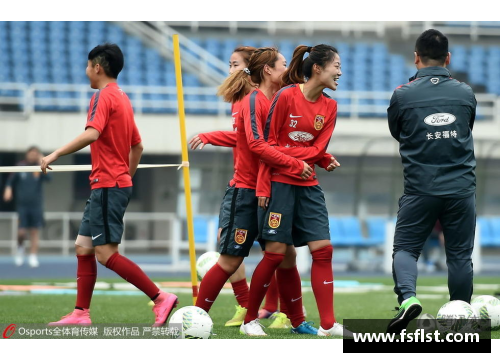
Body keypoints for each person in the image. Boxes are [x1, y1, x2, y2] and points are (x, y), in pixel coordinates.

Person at [41, 43, 178, 326]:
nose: (85, 71)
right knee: (83, 246)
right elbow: (137, 146)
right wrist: (125, 177)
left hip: (107, 185)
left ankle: (160, 297)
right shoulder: (123, 98)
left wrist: (55, 153)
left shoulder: (103, 97)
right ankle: (81, 313)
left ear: (97, 67)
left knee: (105, 254)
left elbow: (92, 133)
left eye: (87, 66)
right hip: (111, 183)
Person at [194, 47, 327, 335]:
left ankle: (296, 320)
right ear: (267, 70)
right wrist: (294, 164)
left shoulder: (279, 100)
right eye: (281, 65)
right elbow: (253, 143)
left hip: (273, 190)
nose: (287, 71)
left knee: (286, 255)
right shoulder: (253, 101)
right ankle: (196, 316)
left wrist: (322, 157)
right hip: (246, 191)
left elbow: (283, 142)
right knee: (230, 260)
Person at [241, 44, 347, 337]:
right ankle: (250, 320)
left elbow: (318, 149)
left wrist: (311, 157)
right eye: (336, 65)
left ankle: (328, 325)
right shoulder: (286, 96)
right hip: (280, 185)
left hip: (309, 185)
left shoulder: (331, 106)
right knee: (275, 254)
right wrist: (299, 159)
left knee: (323, 251)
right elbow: (268, 145)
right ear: (317, 68)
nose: (340, 71)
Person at [387, 29, 477, 334]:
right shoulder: (465, 92)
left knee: (406, 249)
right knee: (460, 256)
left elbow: (398, 132)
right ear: (448, 58)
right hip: (461, 188)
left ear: (416, 58)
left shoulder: (402, 94)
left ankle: (409, 298)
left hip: (420, 187)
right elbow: (467, 126)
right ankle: (461, 318)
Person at [3, 146, 51, 267]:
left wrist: (42, 160)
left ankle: (33, 256)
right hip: (22, 205)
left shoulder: (40, 167)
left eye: (36, 154)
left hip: (36, 205)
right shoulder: (20, 166)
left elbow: (49, 178)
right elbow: (10, 181)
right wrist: (8, 189)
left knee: (35, 231)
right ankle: (20, 251)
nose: (33, 155)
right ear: (27, 154)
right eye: (31, 153)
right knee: (21, 232)